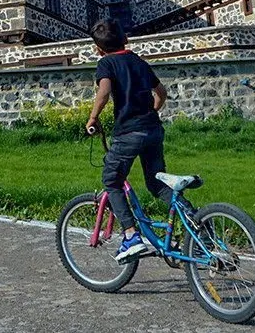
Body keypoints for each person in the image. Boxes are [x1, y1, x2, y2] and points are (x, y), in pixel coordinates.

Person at [84, 18, 196, 263]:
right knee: (157, 184)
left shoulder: (106, 63)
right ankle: (196, 224)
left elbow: (103, 92)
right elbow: (161, 93)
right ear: (126, 40)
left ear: (98, 49)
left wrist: (93, 118)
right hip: (153, 131)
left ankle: (131, 235)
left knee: (112, 180)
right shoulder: (139, 61)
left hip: (128, 134)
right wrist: (152, 112)